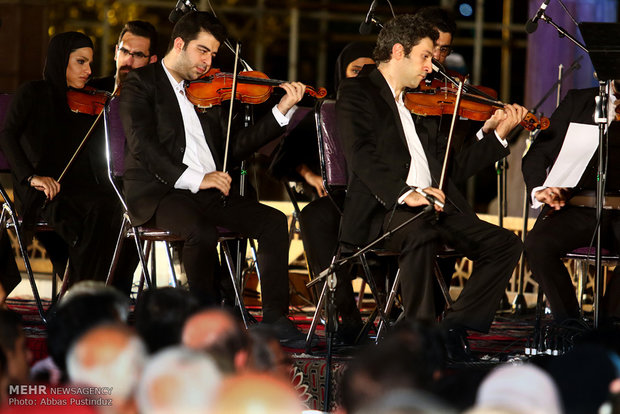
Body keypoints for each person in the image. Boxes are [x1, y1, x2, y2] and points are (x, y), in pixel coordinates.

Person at [336, 14, 525, 359]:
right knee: (421, 233)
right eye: (425, 56)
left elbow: (448, 169)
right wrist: (405, 193)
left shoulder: (413, 102)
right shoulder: (358, 91)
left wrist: (494, 135)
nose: (432, 66)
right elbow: (360, 155)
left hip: (430, 207)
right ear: (398, 52)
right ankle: (419, 337)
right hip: (384, 210)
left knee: (505, 243)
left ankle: (451, 325)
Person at [119, 11, 306, 345]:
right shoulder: (141, 83)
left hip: (205, 192)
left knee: (273, 222)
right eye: (202, 51)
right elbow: (143, 146)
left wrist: (282, 111)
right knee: (200, 232)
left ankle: (276, 319)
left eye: (212, 54)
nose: (208, 61)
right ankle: (204, 321)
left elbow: (231, 150)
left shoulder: (203, 92)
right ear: (179, 44)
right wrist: (196, 178)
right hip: (159, 192)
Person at [0, 32, 134, 290]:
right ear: (61, 60)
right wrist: (31, 177)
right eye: (80, 62)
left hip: (79, 188)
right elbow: (7, 136)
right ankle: (84, 295)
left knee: (112, 207)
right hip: (39, 188)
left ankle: (88, 293)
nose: (88, 70)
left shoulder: (92, 102)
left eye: (90, 63)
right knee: (88, 211)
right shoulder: (32, 92)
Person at [269, 42, 375, 342]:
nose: (362, 78)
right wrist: (311, 175)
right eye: (356, 71)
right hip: (341, 199)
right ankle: (342, 310)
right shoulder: (327, 110)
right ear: (342, 74)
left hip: (383, 200)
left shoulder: (390, 109)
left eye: (369, 72)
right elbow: (284, 158)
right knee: (315, 217)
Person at [522, 85, 620, 324]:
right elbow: (537, 153)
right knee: (538, 245)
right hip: (575, 206)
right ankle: (569, 323)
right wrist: (541, 189)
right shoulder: (579, 101)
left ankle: (609, 325)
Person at [89, 20, 158, 93]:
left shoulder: (159, 101)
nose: (128, 61)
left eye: (138, 55)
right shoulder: (92, 88)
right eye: (124, 51)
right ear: (116, 53)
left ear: (152, 61)